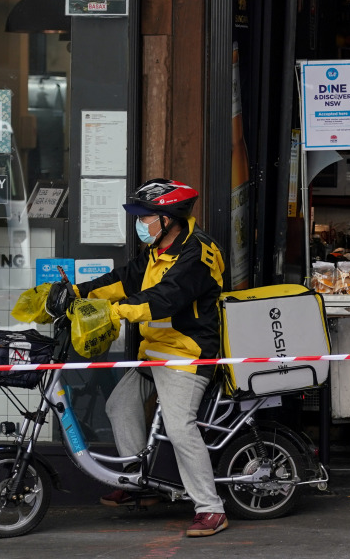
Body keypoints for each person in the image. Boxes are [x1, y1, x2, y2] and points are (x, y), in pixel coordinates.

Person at [74, 178, 229, 538]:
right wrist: (77, 292)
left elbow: (163, 299)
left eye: (145, 217)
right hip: (154, 351)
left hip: (187, 355)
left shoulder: (198, 254)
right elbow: (126, 280)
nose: (140, 224)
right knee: (120, 406)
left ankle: (211, 508)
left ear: (169, 217)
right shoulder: (157, 250)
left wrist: (113, 313)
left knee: (179, 427)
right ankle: (137, 485)